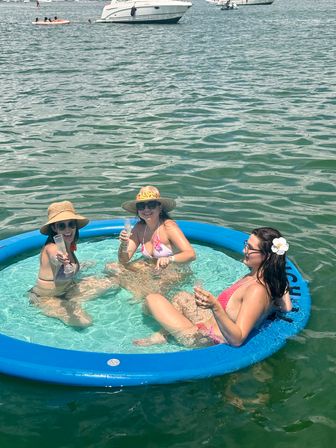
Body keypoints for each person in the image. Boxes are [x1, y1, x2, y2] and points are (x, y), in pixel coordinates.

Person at [134, 227, 292, 347]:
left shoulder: (257, 290)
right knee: (180, 296)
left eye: (250, 248)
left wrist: (215, 306)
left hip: (204, 338)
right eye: (246, 244)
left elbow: (238, 339)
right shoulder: (265, 278)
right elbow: (286, 308)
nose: (244, 250)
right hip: (208, 323)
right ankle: (165, 333)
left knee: (151, 299)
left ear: (267, 256)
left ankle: (169, 334)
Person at [29, 201, 113, 328]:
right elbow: (55, 257)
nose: (68, 229)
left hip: (67, 291)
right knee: (85, 322)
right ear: (54, 228)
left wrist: (82, 266)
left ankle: (72, 301)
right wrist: (59, 259)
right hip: (46, 298)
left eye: (71, 224)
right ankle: (71, 303)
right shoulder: (51, 248)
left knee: (111, 282)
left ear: (75, 226)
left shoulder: (69, 247)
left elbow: (67, 270)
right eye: (62, 226)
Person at [105, 186, 196, 299]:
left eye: (151, 205)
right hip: (150, 269)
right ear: (138, 210)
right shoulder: (139, 228)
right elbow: (123, 260)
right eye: (141, 206)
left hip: (173, 271)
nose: (146, 209)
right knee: (112, 267)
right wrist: (123, 244)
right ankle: (138, 290)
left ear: (160, 207)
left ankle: (138, 292)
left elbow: (191, 254)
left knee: (152, 290)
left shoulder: (168, 226)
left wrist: (169, 259)